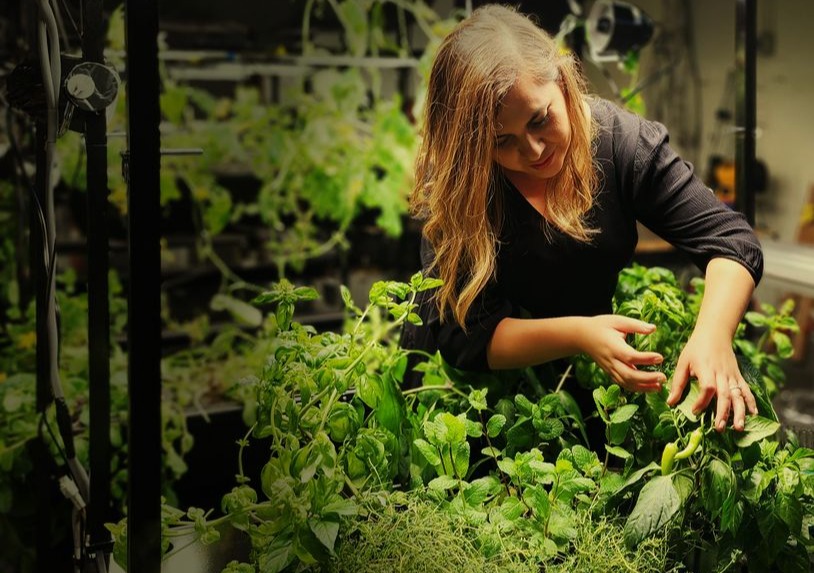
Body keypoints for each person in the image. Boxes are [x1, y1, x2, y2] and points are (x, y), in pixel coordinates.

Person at [406, 4, 763, 433]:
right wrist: (580, 334)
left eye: (541, 119)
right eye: (502, 142)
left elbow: (731, 241)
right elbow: (465, 339)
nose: (534, 150)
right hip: (465, 405)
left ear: (562, 82)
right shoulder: (462, 184)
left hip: (581, 391)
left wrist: (712, 335)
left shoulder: (621, 146)